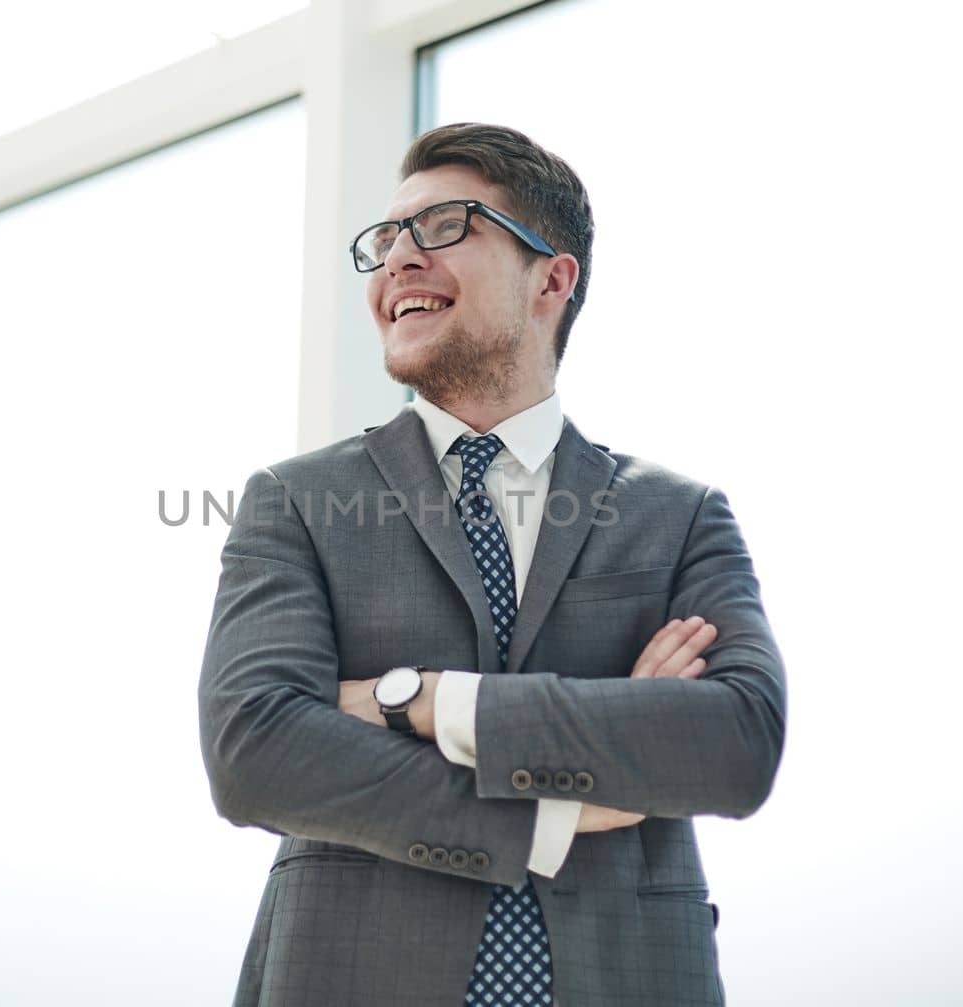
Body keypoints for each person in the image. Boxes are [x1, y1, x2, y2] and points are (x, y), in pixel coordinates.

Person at [198, 122, 786, 1005]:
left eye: (443, 226)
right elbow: (255, 752)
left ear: (551, 277)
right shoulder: (296, 500)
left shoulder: (679, 515)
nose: (398, 258)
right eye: (386, 238)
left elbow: (736, 743)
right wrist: (559, 810)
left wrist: (424, 700)